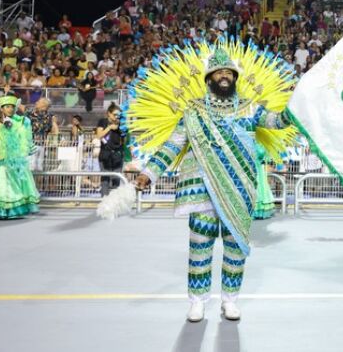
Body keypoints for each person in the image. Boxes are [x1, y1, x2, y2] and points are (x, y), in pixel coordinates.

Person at [110, 41, 296, 322]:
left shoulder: (249, 108)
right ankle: (197, 301)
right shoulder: (193, 111)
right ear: (209, 79)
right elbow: (172, 145)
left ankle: (230, 301)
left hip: (239, 189)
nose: (224, 76)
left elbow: (278, 121)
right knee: (200, 246)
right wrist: (149, 173)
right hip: (201, 189)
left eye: (229, 73)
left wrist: (299, 103)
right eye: (219, 73)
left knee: (234, 248)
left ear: (234, 78)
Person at [0, 95, 40, 219]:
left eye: (12, 106)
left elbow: (25, 139)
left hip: (14, 160)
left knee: (13, 184)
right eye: (7, 107)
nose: (10, 109)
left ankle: (12, 210)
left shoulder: (21, 121)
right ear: (1, 108)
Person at [95, 104, 125, 196]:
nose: (116, 117)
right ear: (109, 113)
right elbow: (99, 136)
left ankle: (115, 203)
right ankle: (104, 201)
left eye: (118, 115)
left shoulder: (122, 124)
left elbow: (124, 140)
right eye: (114, 114)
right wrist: (109, 128)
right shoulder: (102, 122)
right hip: (105, 154)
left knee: (116, 179)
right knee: (105, 179)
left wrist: (120, 127)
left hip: (117, 155)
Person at [25, 97, 59, 172]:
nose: (36, 102)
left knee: (39, 169)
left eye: (39, 101)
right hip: (29, 145)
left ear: (44, 105)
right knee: (29, 168)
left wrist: (53, 142)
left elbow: (55, 130)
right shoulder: (29, 113)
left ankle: (37, 183)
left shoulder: (50, 117)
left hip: (41, 146)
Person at [251, 144, 275, 220]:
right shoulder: (259, 143)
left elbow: (261, 155)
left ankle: (254, 210)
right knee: (258, 188)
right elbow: (261, 154)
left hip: (257, 170)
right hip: (258, 171)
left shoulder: (257, 143)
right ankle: (256, 210)